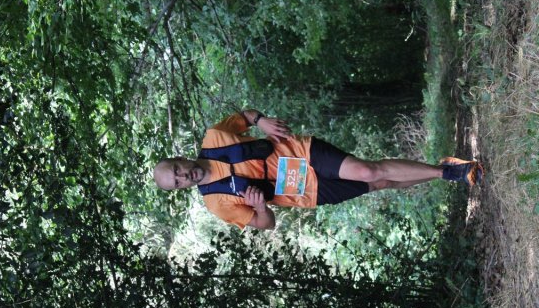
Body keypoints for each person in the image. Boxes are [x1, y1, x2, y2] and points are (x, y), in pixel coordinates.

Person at [153, 109, 484, 230]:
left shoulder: (214, 137)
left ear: (179, 158)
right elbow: (266, 224)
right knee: (380, 183)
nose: (183, 176)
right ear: (181, 189)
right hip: (306, 193)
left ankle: (448, 172)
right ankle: (441, 170)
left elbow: (246, 116)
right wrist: (259, 208)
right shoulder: (216, 203)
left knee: (368, 171)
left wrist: (261, 120)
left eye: (177, 169)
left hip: (302, 153)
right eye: (177, 182)